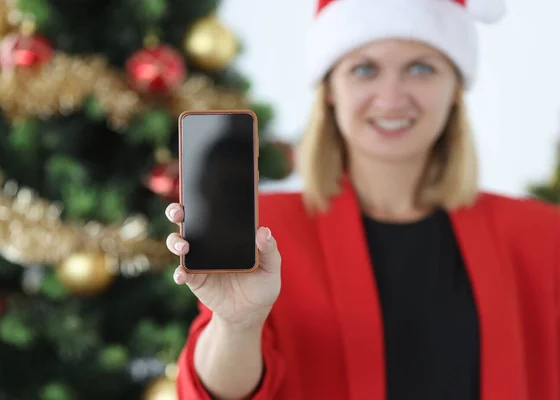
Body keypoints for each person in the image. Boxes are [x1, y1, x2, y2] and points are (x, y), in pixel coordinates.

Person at [165, 0, 560, 399]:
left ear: (455, 88)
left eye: (421, 67)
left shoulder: (543, 237)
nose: (391, 98)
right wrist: (237, 324)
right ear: (330, 90)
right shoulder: (265, 231)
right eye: (364, 69)